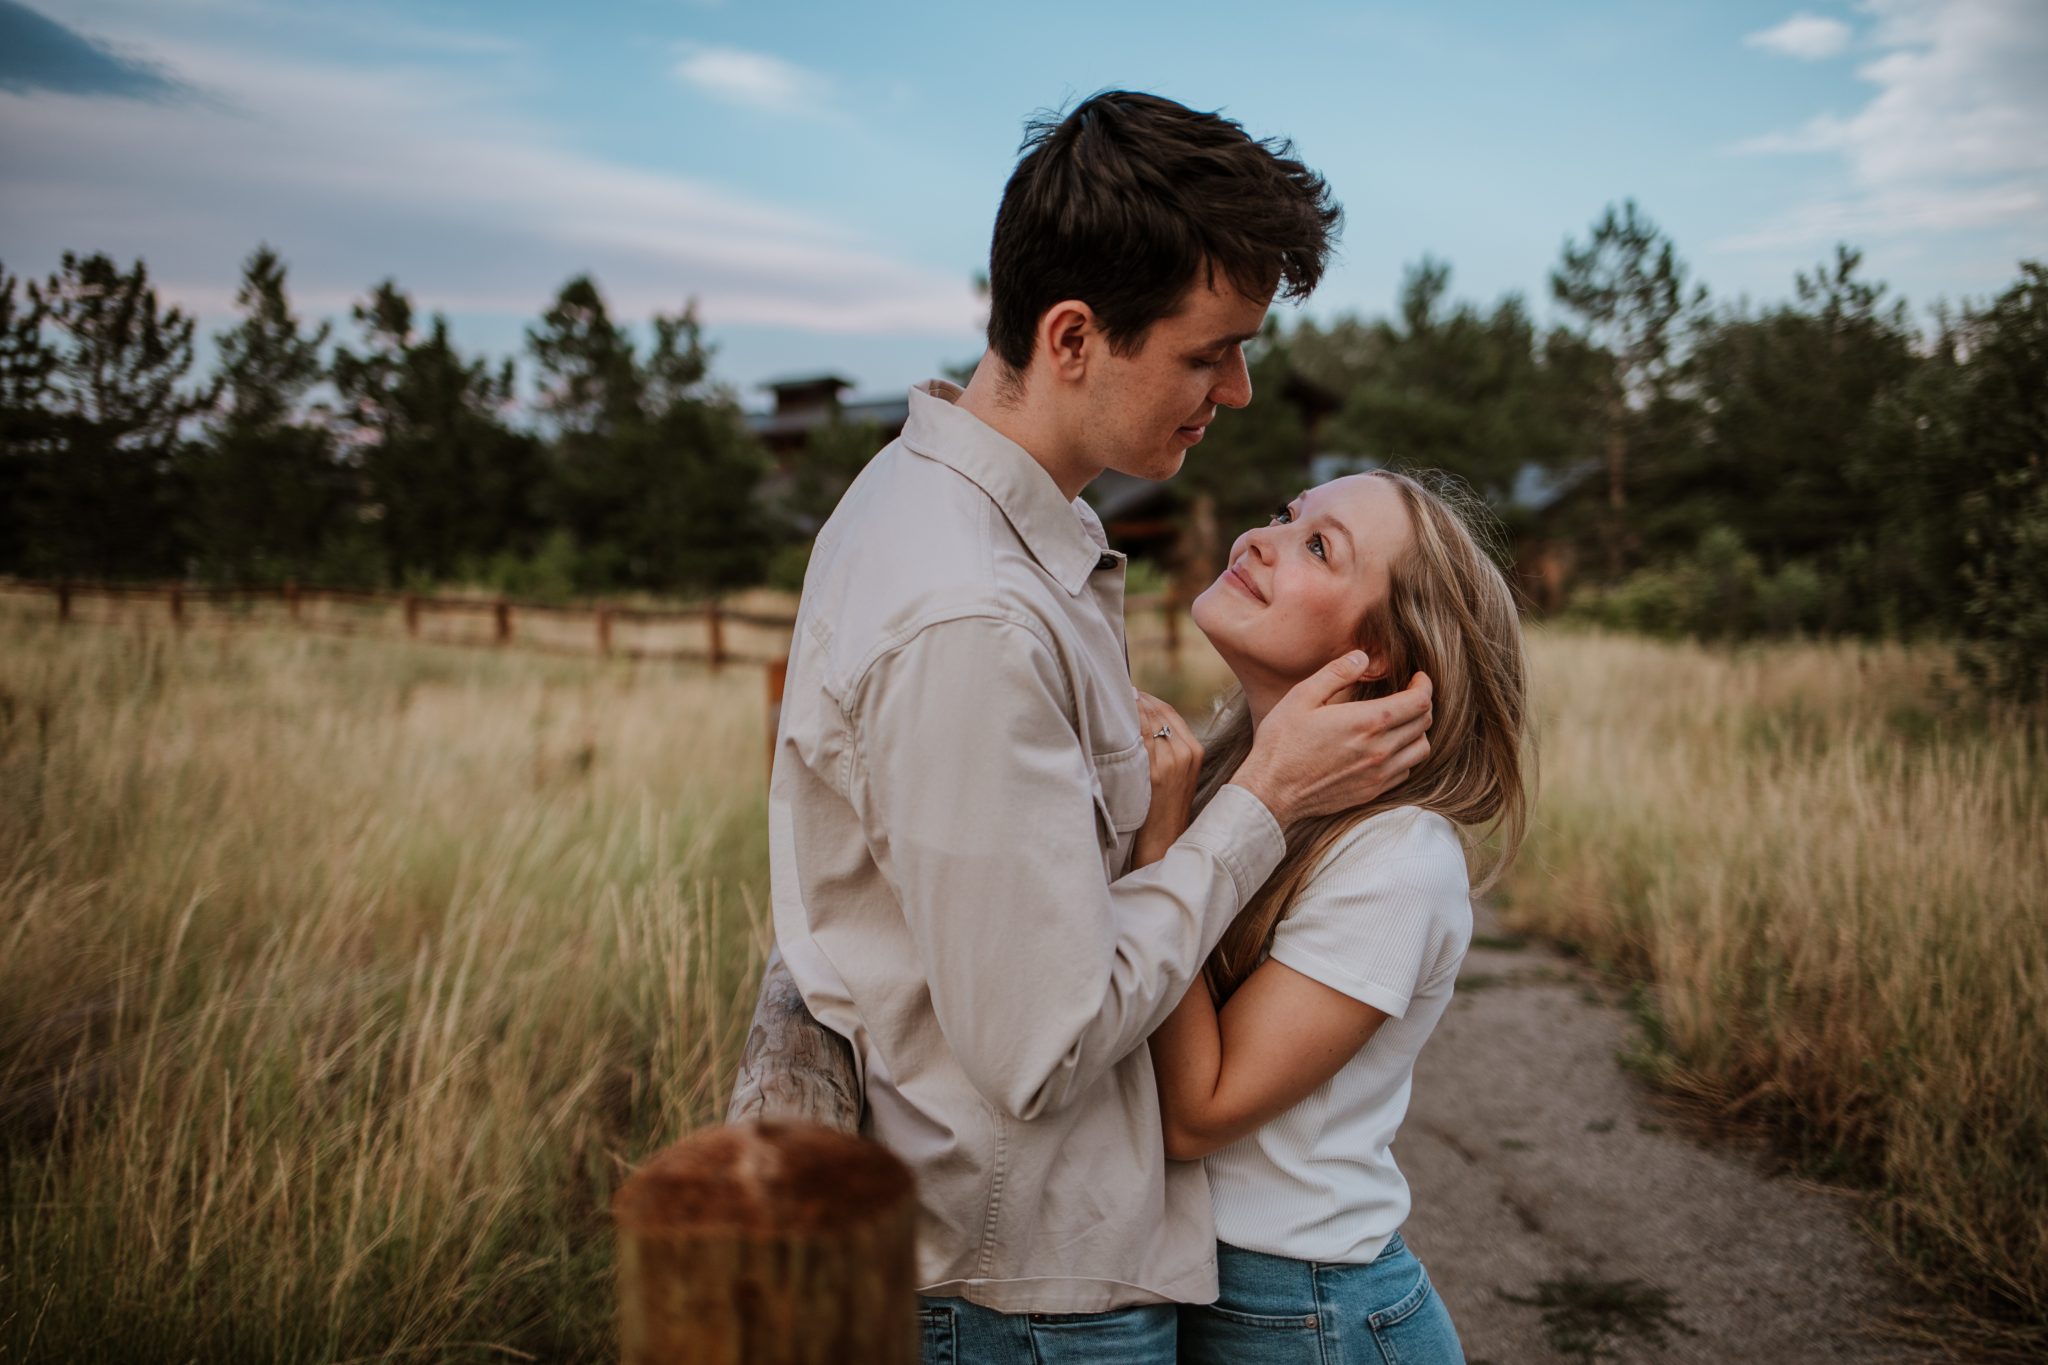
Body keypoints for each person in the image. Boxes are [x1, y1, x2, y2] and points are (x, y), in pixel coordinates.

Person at [766, 91, 1436, 1363]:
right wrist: (1258, 807)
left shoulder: (1022, 530)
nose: (1235, 390)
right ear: (1072, 335)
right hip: (1029, 1293)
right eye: (1205, 352)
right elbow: (1045, 1041)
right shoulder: (967, 613)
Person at [1136, 470, 1530, 1364]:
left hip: (1305, 1316)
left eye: (1319, 546)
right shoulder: (1225, 778)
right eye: (1285, 514)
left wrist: (1161, 850)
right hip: (1207, 1286)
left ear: (1382, 653)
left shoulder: (1400, 857)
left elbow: (1199, 1111)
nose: (1258, 538)